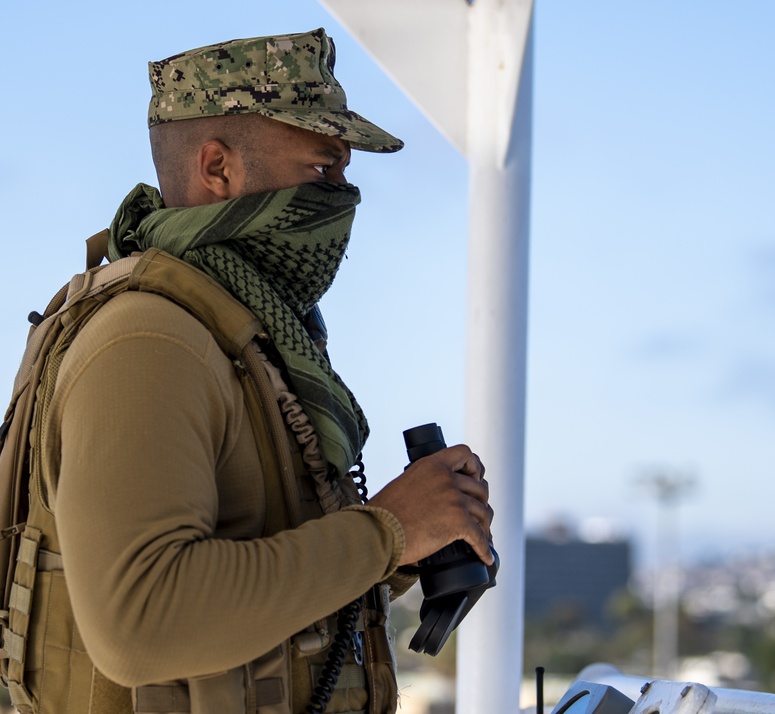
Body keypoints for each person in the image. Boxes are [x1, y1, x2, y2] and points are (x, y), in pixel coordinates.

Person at [8, 28, 493, 714]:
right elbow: (144, 624)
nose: (342, 197)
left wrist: (407, 550)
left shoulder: (244, 332)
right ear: (217, 169)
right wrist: (386, 530)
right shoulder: (150, 341)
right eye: (323, 170)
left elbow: (256, 585)